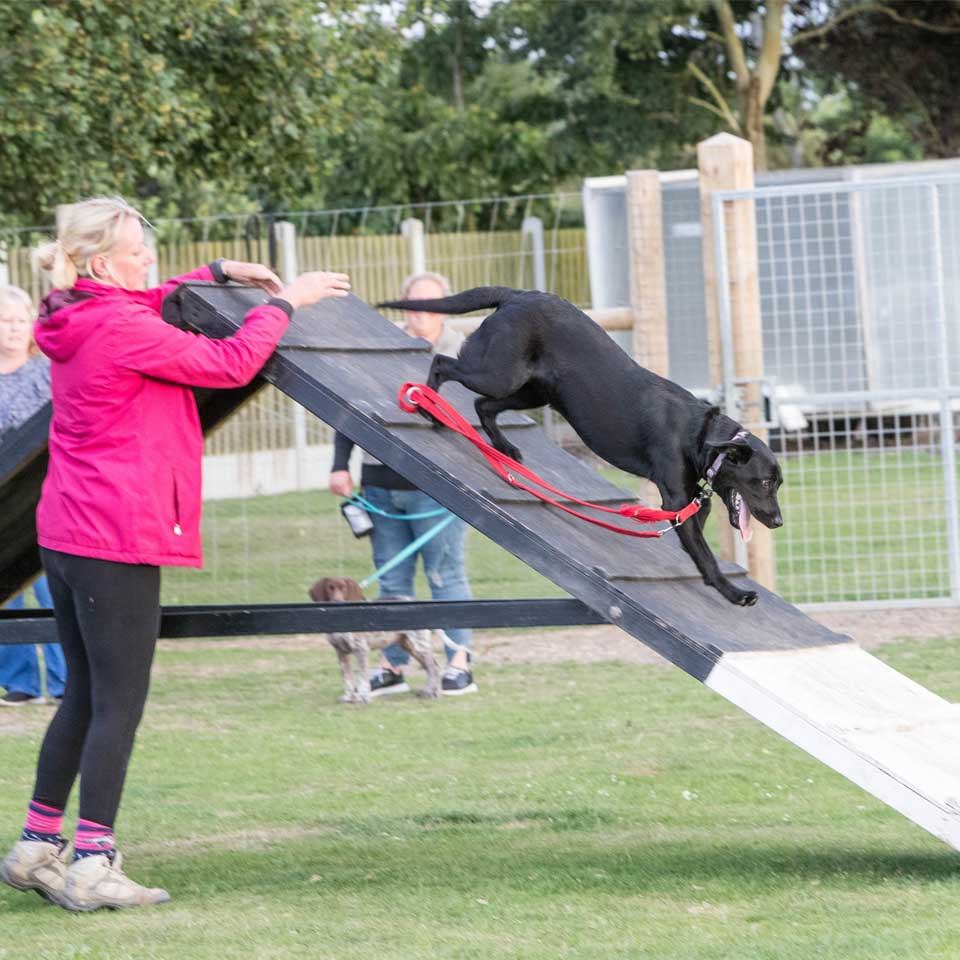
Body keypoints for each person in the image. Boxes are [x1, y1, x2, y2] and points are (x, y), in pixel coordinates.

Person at [0, 196, 350, 912]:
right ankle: (94, 861)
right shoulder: (120, 327)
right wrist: (288, 303)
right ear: (103, 261)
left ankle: (38, 846)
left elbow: (146, 304)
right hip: (115, 534)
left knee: (86, 695)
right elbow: (228, 363)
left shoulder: (73, 312)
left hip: (67, 529)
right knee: (117, 704)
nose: (149, 263)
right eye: (138, 253)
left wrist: (214, 270)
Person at [329, 272, 477, 697]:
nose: (420, 314)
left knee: (444, 576)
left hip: (439, 490)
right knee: (393, 582)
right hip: (380, 487)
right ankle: (393, 665)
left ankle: (458, 663)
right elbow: (350, 406)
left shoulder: (465, 354)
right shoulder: (379, 348)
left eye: (431, 305)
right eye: (412, 305)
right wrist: (341, 465)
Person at [0, 285, 67, 706]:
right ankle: (19, 683)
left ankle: (66, 683)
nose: (11, 330)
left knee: (52, 586)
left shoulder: (49, 372)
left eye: (18, 321)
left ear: (32, 327)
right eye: (3, 322)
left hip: (47, 493)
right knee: (5, 589)